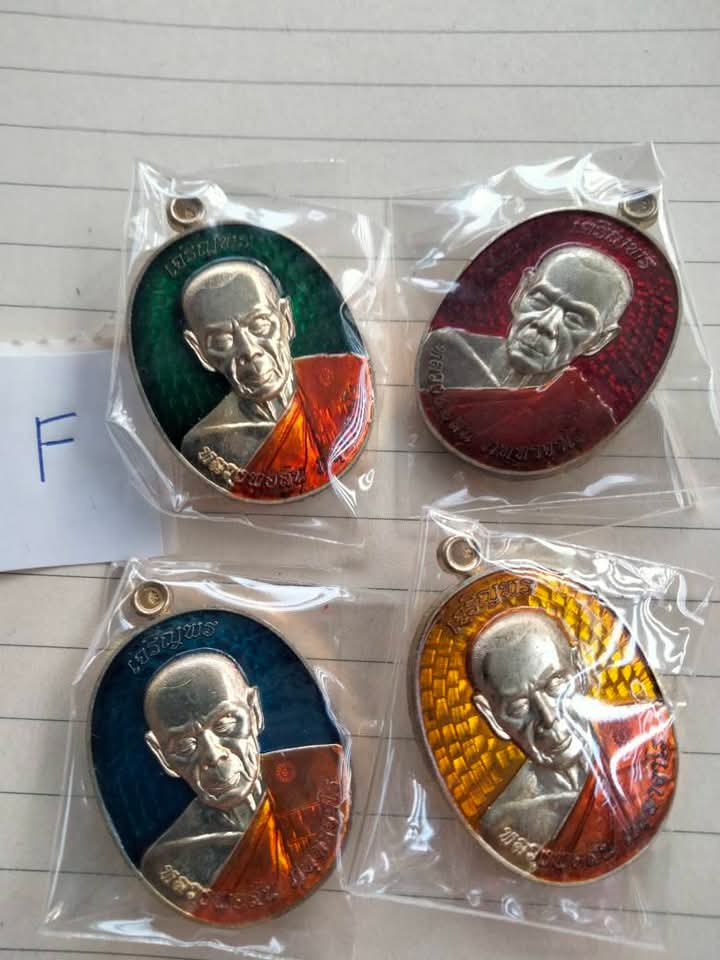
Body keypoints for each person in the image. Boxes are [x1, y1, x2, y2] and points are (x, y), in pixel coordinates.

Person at [467, 609, 676, 881]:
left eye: (555, 684)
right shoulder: (505, 823)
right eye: (518, 706)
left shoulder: (646, 739)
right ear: (492, 718)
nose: (549, 718)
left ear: (580, 669)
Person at [141, 651, 348, 923]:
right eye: (184, 745)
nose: (213, 755)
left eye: (225, 724)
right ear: (162, 756)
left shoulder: (323, 776)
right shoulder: (169, 860)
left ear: (254, 712)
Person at [417, 246, 634, 468]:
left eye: (576, 320)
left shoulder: (588, 418)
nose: (545, 324)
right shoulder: (450, 350)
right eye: (540, 300)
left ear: (600, 340)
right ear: (521, 292)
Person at [180, 259, 370, 498]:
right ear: (200, 352)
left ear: (286, 319)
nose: (249, 351)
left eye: (259, 324)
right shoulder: (205, 443)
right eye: (221, 340)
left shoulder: (347, 381)